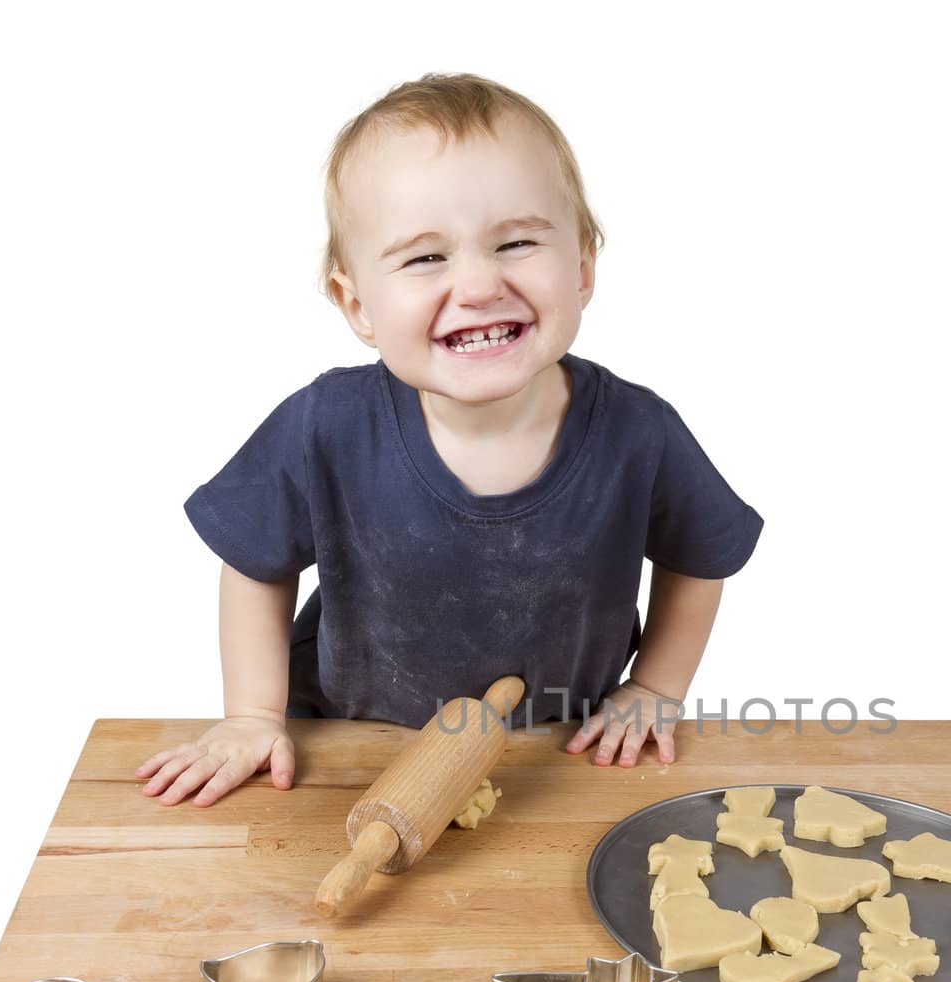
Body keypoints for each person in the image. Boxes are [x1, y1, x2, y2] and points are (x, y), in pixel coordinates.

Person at [136, 72, 762, 807]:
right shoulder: (325, 425)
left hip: (554, 752)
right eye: (426, 257)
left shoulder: (639, 432)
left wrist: (655, 686)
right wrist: (250, 715)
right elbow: (253, 564)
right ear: (357, 303)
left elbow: (702, 555)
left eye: (518, 242)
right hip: (353, 741)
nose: (478, 285)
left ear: (584, 265)